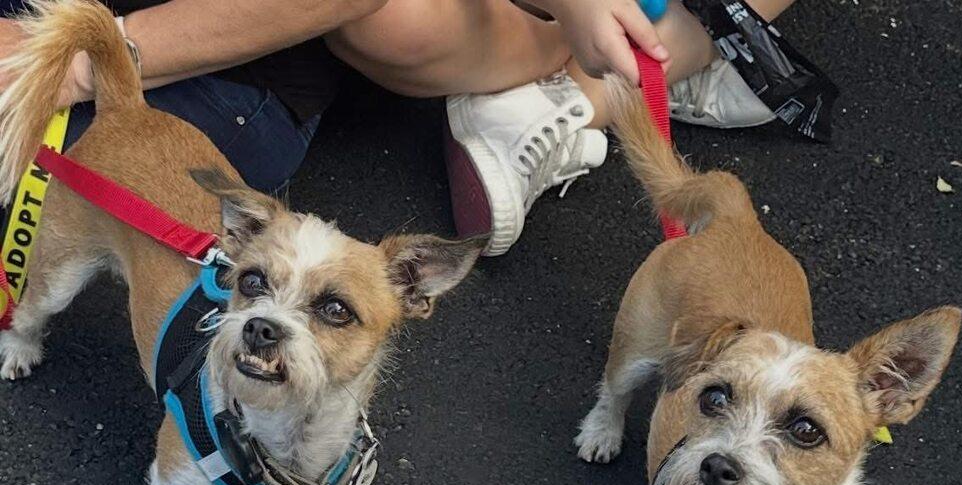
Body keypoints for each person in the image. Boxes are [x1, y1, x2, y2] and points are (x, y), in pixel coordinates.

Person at [0, 0, 795, 247]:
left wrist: (66, 67)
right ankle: (589, 83)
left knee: (395, 26)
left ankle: (593, 85)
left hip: (221, 69)